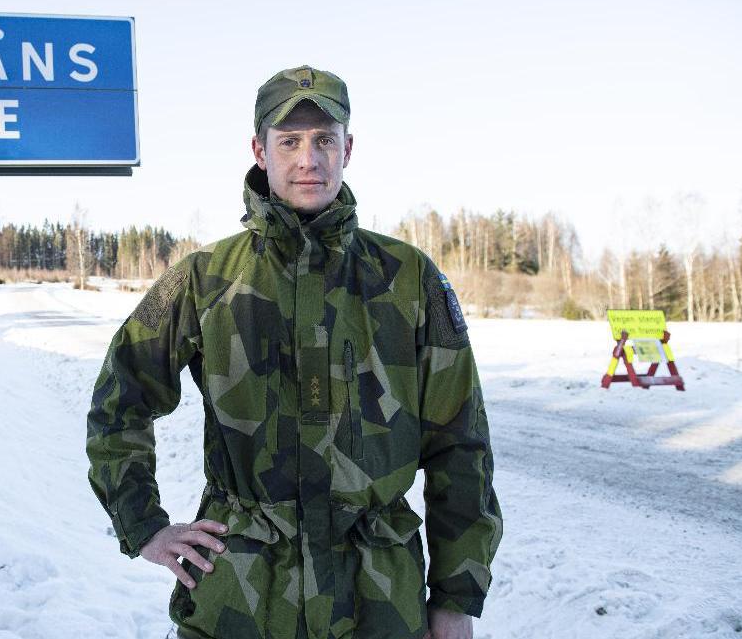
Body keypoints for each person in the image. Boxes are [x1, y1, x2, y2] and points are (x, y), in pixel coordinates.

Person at [86, 65, 502, 639]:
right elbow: (120, 396)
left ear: (347, 149)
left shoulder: (408, 279)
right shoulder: (207, 279)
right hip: (240, 597)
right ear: (260, 150)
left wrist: (456, 597)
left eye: (325, 139)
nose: (309, 158)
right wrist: (145, 523)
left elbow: (461, 445)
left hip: (377, 603)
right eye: (290, 141)